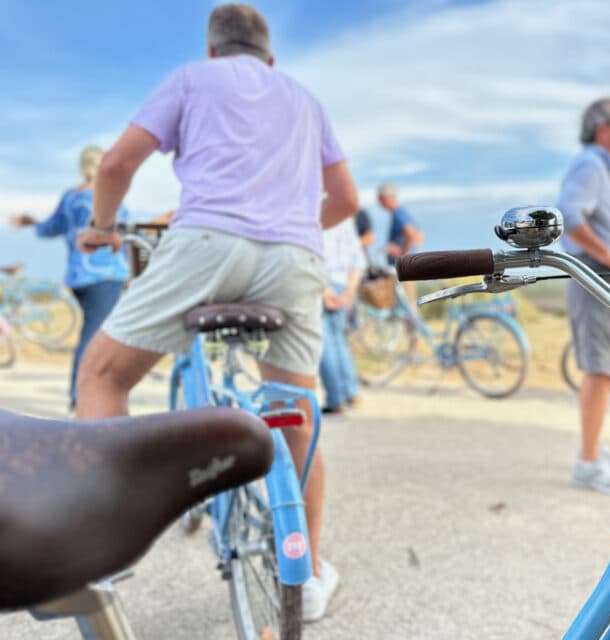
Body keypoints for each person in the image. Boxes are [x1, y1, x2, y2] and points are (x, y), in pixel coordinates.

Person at [72, 4, 359, 622]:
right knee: (295, 409)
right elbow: (346, 200)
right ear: (269, 58)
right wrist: (289, 231)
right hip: (295, 257)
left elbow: (119, 163)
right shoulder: (303, 98)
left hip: (205, 242)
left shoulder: (190, 79)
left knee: (103, 374)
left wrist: (101, 228)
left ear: (213, 51)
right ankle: (305, 576)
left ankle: (108, 544)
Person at [9, 146, 131, 411]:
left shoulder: (69, 198)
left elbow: (48, 229)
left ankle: (86, 392)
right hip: (105, 275)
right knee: (96, 336)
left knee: (93, 333)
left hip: (77, 276)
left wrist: (31, 222)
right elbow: (128, 231)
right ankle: (83, 395)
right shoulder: (108, 196)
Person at [557, 97, 610, 496]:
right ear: (604, 126)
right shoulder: (591, 163)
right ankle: (588, 463)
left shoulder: (596, 166)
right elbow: (569, 216)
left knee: (600, 367)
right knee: (600, 369)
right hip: (598, 277)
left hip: (601, 277)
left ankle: (593, 448)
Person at [319, 216, 365, 413]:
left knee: (324, 342)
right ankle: (351, 393)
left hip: (323, 283)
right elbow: (358, 260)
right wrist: (350, 292)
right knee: (338, 339)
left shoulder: (316, 212)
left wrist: (321, 289)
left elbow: (310, 258)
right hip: (343, 284)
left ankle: (335, 399)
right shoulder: (345, 219)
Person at [377, 182, 423, 307]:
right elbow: (419, 236)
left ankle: (413, 327)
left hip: (403, 267)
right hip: (407, 266)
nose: (378, 203)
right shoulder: (401, 213)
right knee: (407, 304)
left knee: (408, 305)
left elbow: (410, 233)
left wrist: (402, 252)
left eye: (379, 199)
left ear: (384, 198)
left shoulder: (398, 213)